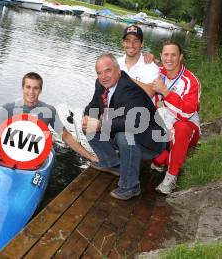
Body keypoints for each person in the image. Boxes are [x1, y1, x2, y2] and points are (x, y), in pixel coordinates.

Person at [83, 53, 165, 200]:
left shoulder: (129, 89)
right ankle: (111, 163)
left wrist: (100, 124)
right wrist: (87, 116)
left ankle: (131, 186)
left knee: (124, 135)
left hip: (150, 141)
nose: (103, 76)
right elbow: (94, 104)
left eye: (108, 70)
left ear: (118, 70)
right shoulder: (101, 84)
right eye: (99, 73)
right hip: (126, 131)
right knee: (88, 125)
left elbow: (135, 123)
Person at [0, 72, 98, 163]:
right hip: (10, 153)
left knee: (52, 140)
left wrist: (90, 157)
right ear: (22, 88)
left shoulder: (49, 110)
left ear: (40, 90)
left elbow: (66, 136)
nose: (31, 92)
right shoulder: (7, 109)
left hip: (35, 156)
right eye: (28, 87)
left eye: (35, 88)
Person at [151, 41, 201, 194]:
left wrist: (165, 93)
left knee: (182, 127)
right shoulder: (157, 71)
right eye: (166, 54)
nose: (169, 59)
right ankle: (163, 158)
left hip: (186, 129)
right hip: (164, 127)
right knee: (158, 160)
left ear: (180, 57)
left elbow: (186, 114)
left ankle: (171, 177)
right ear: (161, 56)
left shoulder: (191, 81)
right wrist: (145, 58)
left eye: (173, 55)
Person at [117, 25, 160, 98]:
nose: (131, 45)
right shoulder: (116, 63)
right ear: (123, 43)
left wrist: (124, 77)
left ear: (142, 43)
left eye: (135, 41)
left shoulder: (151, 67)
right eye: (127, 41)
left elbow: (149, 93)